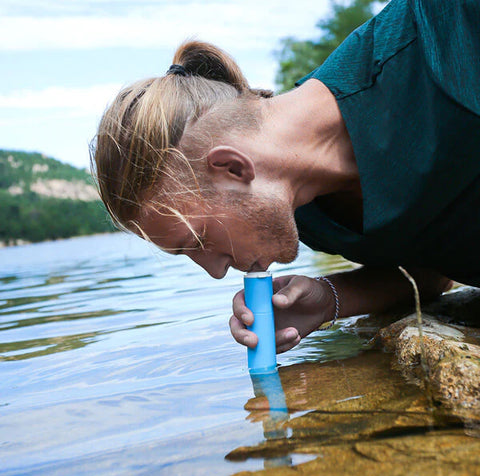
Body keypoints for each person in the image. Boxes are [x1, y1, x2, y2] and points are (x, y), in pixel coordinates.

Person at [91, 0, 480, 354]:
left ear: (232, 168)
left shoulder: (444, 34)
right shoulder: (311, 218)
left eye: (198, 239)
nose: (214, 271)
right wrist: (330, 298)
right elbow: (438, 269)